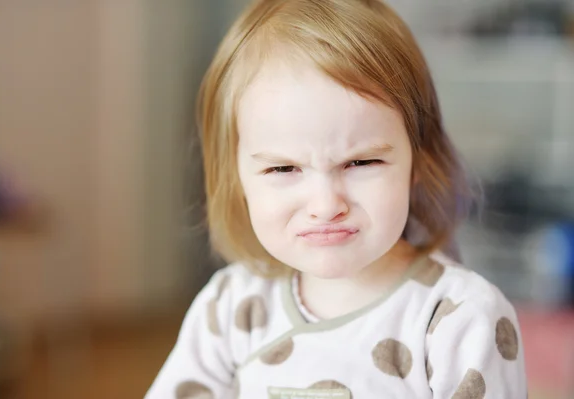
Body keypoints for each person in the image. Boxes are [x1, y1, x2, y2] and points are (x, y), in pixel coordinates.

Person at [146, 0, 527, 397]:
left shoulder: (459, 318)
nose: (326, 205)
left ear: (419, 158)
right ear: (237, 177)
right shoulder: (230, 310)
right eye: (283, 169)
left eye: (361, 162)